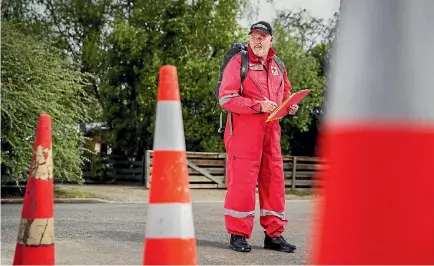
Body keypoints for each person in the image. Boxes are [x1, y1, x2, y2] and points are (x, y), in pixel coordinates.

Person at [218, 21, 298, 253]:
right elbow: (226, 99)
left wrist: (290, 107)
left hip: (271, 133)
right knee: (242, 183)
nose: (257, 40)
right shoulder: (238, 62)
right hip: (243, 134)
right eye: (254, 36)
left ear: (271, 39)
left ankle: (274, 235)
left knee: (274, 181)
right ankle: (238, 235)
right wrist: (257, 105)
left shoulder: (278, 66)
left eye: (262, 36)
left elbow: (284, 95)